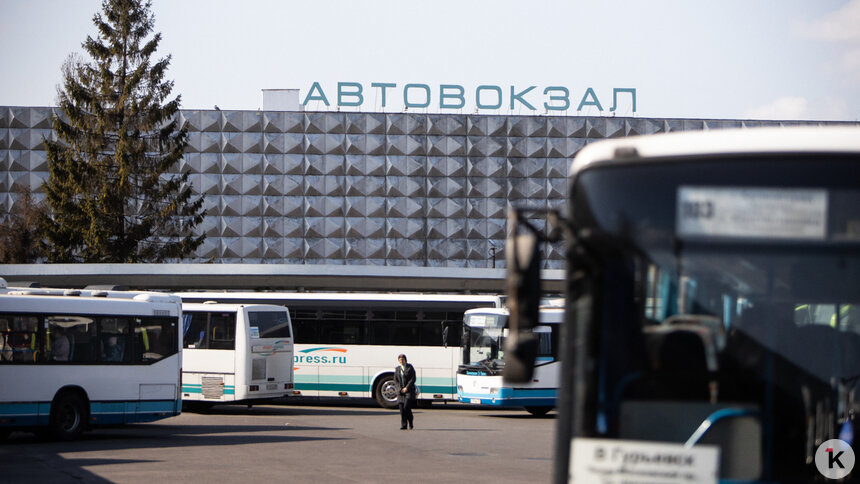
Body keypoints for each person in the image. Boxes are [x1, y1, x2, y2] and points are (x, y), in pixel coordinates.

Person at [395, 354, 417, 430]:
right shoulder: (397, 369)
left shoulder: (410, 367)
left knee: (406, 407)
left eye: (403, 359)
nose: (401, 361)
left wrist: (407, 388)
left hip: (408, 391)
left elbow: (413, 379)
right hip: (400, 392)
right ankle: (404, 425)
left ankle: (410, 421)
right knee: (401, 409)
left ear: (405, 360)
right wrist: (399, 389)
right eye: (400, 360)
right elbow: (396, 380)